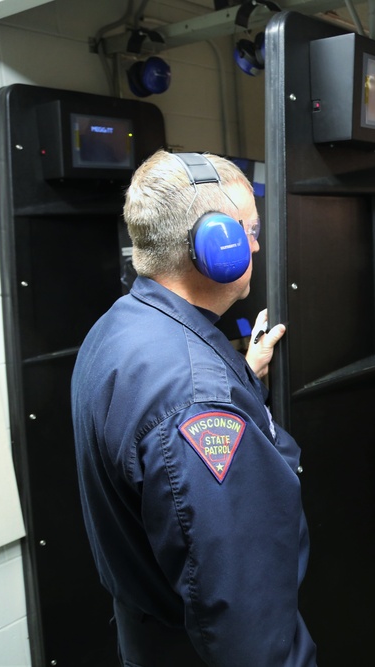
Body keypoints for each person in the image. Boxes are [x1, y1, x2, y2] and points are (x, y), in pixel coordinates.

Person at [71, 150, 316, 666]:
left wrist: (241, 376)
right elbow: (243, 617)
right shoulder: (198, 403)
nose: (254, 244)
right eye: (247, 231)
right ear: (214, 247)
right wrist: (218, 393)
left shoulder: (118, 328)